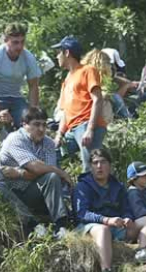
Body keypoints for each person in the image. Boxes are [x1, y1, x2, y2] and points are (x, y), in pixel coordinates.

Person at [0, 107, 72, 237]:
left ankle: (61, 225)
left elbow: (44, 171)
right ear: (24, 124)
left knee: (51, 177)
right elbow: (37, 168)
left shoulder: (47, 142)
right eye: (36, 124)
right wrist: (59, 171)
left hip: (32, 189)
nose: (41, 129)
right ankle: (33, 225)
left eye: (44, 125)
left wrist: (20, 173)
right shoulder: (15, 139)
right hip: (11, 190)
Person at [73, 149, 136, 272]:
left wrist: (127, 218)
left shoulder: (118, 186)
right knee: (103, 230)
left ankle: (139, 260)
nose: (99, 166)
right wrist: (105, 220)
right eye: (95, 163)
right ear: (90, 166)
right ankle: (106, 271)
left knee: (136, 226)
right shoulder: (82, 186)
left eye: (103, 162)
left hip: (115, 225)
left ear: (110, 165)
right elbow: (82, 214)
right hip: (89, 226)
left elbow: (126, 209)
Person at [52, 36, 107, 173]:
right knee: (52, 156)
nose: (57, 56)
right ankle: (65, 188)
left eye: (59, 52)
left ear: (67, 53)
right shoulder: (67, 79)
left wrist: (90, 129)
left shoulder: (88, 70)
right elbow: (65, 111)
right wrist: (59, 134)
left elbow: (97, 99)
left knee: (90, 167)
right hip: (72, 130)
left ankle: (92, 193)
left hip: (86, 125)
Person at [0, 22, 42, 129]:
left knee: (30, 124)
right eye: (15, 42)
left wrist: (33, 112)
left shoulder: (28, 57)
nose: (19, 46)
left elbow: (33, 86)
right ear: (5, 40)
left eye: (22, 42)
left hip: (16, 98)